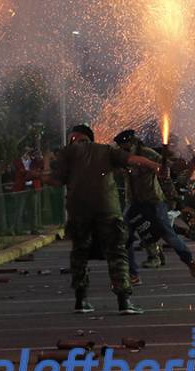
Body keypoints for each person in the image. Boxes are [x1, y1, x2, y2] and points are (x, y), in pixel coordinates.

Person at [45, 124, 160, 315]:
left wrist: (41, 170)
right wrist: (156, 166)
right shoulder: (105, 150)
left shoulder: (67, 153)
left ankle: (81, 301)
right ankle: (124, 301)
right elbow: (133, 160)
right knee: (116, 253)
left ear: (74, 137)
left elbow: (55, 181)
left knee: (79, 254)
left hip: (78, 210)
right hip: (107, 209)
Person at [113, 130, 195, 279]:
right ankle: (131, 274)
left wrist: (187, 165)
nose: (122, 150)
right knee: (124, 236)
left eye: (125, 146)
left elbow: (169, 167)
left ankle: (190, 262)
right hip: (133, 203)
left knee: (169, 236)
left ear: (132, 143)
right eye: (120, 147)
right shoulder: (121, 156)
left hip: (152, 201)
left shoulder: (147, 153)